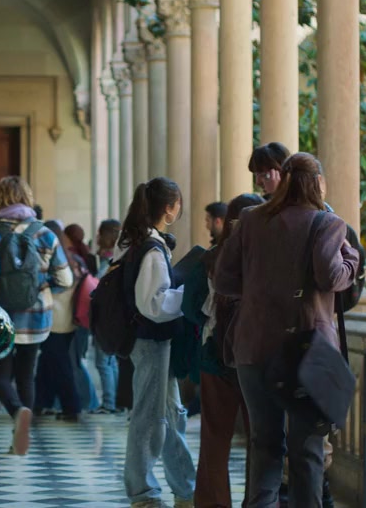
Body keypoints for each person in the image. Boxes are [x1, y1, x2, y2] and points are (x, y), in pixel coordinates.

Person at [214, 153, 359, 508]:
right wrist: (352, 259)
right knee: (306, 450)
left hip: (253, 347)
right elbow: (331, 276)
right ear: (318, 183)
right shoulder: (327, 223)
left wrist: (261, 290)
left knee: (265, 445)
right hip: (305, 352)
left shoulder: (251, 219)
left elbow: (224, 280)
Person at [116, 177, 197, 508]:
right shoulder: (151, 249)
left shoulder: (140, 242)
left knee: (171, 416)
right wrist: (189, 292)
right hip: (151, 341)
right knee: (149, 419)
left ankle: (186, 490)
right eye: (178, 204)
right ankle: (143, 493)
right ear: (169, 208)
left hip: (153, 341)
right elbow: (153, 304)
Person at [0, 176, 74, 455]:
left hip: (0, 317)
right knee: (26, 377)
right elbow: (66, 279)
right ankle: (23, 433)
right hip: (36, 318)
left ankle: (16, 413)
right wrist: (41, 285)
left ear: (0, 198)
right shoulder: (45, 234)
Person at [194, 193, 263, 508]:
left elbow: (194, 307)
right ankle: (258, 502)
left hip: (216, 353)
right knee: (260, 440)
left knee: (214, 439)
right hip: (255, 357)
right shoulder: (267, 259)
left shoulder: (211, 257)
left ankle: (213, 503)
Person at [34, 219, 86, 421]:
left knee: (60, 364)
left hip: (53, 319)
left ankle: (72, 407)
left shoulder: (53, 261)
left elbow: (50, 287)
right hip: (68, 319)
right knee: (47, 361)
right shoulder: (73, 259)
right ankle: (41, 402)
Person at [64, 223, 102, 413]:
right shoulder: (87, 256)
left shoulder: (71, 258)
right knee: (77, 358)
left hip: (74, 316)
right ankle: (84, 399)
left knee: (75, 360)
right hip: (84, 314)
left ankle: (88, 400)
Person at [92, 219, 124, 413]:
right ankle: (114, 401)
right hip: (113, 316)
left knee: (103, 362)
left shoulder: (110, 261)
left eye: (100, 233)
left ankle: (109, 403)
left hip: (106, 316)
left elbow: (99, 287)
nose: (97, 238)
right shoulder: (120, 257)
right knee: (110, 361)